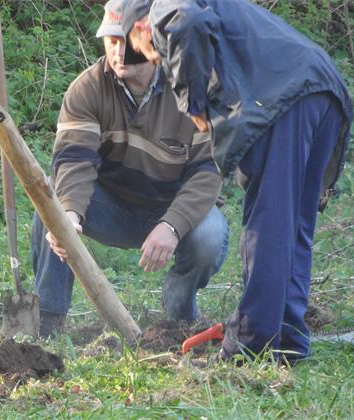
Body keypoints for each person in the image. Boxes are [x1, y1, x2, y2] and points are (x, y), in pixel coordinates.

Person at [121, 0, 353, 363]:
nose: (152, 59)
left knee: (270, 224)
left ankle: (248, 345)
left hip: (286, 96)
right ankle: (286, 340)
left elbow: (187, 22)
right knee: (294, 226)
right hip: (323, 90)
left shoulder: (164, 7)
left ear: (141, 27)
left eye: (144, 51)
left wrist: (193, 102)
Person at [33, 0, 228, 338]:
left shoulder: (192, 87)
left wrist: (172, 225)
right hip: (111, 206)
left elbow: (207, 172)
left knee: (210, 237)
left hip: (170, 205)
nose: (119, 53)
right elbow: (75, 159)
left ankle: (179, 319)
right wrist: (70, 214)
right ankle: (48, 324)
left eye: (127, 43)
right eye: (112, 41)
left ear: (152, 41)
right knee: (50, 209)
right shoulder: (87, 88)